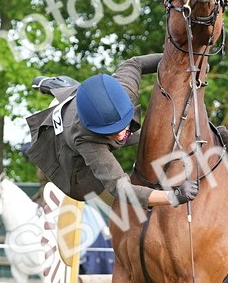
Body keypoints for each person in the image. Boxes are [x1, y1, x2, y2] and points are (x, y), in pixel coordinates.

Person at [24, 54, 199, 211]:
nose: (121, 134)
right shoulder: (87, 142)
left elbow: (135, 63)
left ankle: (62, 87)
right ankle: (58, 92)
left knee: (148, 134)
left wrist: (180, 60)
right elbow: (122, 189)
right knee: (124, 210)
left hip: (80, 104)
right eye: (112, 132)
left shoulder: (124, 91)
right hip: (66, 155)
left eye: (122, 126)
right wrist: (174, 196)